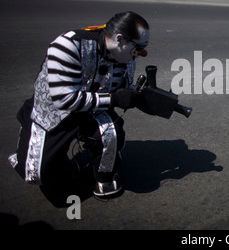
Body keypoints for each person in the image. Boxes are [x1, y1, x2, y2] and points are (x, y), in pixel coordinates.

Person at [8, 11, 150, 198]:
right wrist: (114, 99)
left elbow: (125, 87)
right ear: (120, 39)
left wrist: (140, 97)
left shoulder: (126, 58)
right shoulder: (68, 45)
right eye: (138, 47)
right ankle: (26, 150)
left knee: (112, 133)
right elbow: (63, 100)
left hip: (93, 110)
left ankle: (104, 174)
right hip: (52, 112)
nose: (140, 54)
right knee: (37, 175)